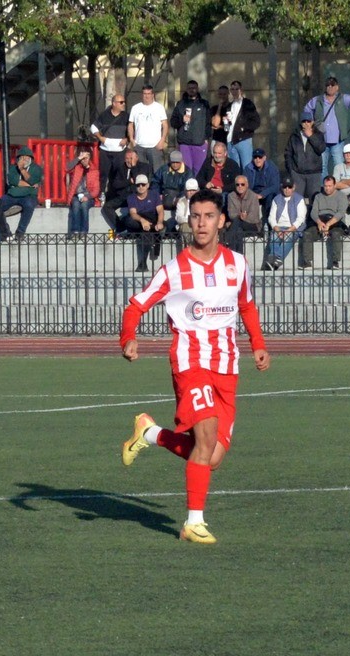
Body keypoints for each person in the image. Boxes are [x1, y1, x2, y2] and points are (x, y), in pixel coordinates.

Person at [120, 188, 270, 545]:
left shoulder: (238, 264)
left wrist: (259, 345)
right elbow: (136, 305)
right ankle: (193, 522)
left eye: (209, 216)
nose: (201, 223)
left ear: (221, 221)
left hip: (227, 366)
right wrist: (128, 338)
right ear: (189, 221)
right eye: (196, 216)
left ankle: (150, 433)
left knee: (212, 457)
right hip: (191, 363)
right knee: (204, 441)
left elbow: (247, 306)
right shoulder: (174, 270)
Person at [302, 77, 350, 178]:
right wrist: (310, 124)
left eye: (332, 85)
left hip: (337, 141)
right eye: (328, 85)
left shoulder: (343, 99)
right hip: (321, 140)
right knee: (322, 167)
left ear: (337, 87)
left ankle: (338, 186)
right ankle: (325, 186)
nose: (330, 87)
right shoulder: (317, 100)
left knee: (339, 166)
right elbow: (307, 110)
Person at [299, 176, 348, 269]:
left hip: (335, 222)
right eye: (325, 186)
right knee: (307, 234)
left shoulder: (341, 196)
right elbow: (313, 212)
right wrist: (319, 222)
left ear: (334, 185)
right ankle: (307, 262)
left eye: (330, 186)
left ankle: (335, 261)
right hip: (320, 222)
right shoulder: (318, 196)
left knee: (336, 234)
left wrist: (328, 224)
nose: (327, 188)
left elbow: (340, 213)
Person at [261, 179, 305, 270]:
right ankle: (275, 261)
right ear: (282, 187)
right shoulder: (276, 199)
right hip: (279, 226)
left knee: (288, 238)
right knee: (274, 237)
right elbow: (271, 217)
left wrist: (288, 231)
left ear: (293, 187)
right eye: (285, 187)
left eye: (289, 187)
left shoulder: (299, 199)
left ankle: (275, 259)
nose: (287, 189)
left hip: (293, 227)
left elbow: (301, 218)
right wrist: (277, 229)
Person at [169, 80, 210, 174]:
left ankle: (197, 185)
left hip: (199, 142)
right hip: (184, 143)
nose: (192, 90)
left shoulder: (204, 104)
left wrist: (206, 138)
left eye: (194, 88)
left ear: (197, 89)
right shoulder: (180, 104)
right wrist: (181, 120)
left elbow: (208, 122)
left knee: (199, 171)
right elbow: (173, 122)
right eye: (189, 88)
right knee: (186, 170)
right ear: (186, 89)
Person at [124, 174, 164, 272]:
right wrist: (143, 221)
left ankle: (143, 264)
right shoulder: (131, 197)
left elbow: (160, 210)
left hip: (151, 218)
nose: (141, 187)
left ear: (148, 185)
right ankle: (154, 234)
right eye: (138, 185)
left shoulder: (154, 194)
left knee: (149, 231)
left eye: (143, 184)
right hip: (139, 220)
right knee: (129, 221)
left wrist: (160, 222)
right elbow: (133, 213)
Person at [2, 147, 42, 238]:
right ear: (18, 158)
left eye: (27, 157)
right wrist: (30, 185)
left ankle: (20, 232)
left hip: (28, 195)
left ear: (31, 158)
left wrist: (22, 170)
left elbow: (33, 180)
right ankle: (6, 231)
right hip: (12, 194)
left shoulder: (36, 168)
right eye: (22, 157)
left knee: (29, 205)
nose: (24, 159)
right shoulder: (13, 168)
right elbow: (13, 181)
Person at [285, 117, 327, 204]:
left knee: (315, 201)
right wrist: (291, 170)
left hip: (314, 173)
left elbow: (321, 149)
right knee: (296, 201)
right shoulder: (295, 136)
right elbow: (288, 153)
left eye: (308, 121)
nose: (306, 123)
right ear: (301, 123)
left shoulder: (318, 134)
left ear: (312, 122)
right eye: (304, 121)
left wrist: (311, 136)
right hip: (298, 173)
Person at [91, 93, 130, 185]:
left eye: (124, 102)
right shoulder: (104, 115)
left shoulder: (127, 116)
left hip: (120, 151)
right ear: (114, 103)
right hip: (105, 151)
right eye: (121, 102)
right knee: (103, 174)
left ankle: (117, 193)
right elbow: (93, 127)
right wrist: (100, 138)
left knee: (120, 175)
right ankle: (102, 192)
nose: (124, 104)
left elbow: (133, 130)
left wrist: (127, 139)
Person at [127, 85, 169, 169]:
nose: (146, 96)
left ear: (152, 94)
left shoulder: (159, 108)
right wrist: (131, 139)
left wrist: (162, 140)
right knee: (141, 172)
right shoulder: (135, 108)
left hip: (155, 146)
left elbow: (165, 125)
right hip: (139, 146)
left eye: (149, 93)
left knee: (157, 171)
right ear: (142, 94)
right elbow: (131, 124)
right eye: (144, 94)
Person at [221, 81, 261, 168]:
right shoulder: (229, 106)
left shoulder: (247, 104)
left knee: (247, 167)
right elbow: (227, 128)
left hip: (243, 140)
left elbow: (256, 121)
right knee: (234, 168)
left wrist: (243, 128)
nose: (234, 91)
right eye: (232, 89)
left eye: (237, 89)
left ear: (241, 90)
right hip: (230, 141)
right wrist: (225, 122)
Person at [65, 147, 101, 237]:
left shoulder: (94, 171)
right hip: (76, 195)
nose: (84, 160)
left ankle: (84, 230)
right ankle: (75, 230)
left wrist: (87, 197)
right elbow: (66, 168)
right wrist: (79, 158)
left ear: (90, 158)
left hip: (89, 196)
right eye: (83, 158)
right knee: (76, 204)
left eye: (86, 158)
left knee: (84, 205)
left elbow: (96, 190)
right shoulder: (76, 168)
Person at [223, 174, 261, 253]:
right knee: (238, 231)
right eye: (237, 184)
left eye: (242, 184)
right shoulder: (231, 196)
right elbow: (231, 214)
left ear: (247, 185)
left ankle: (227, 239)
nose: (240, 186)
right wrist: (240, 216)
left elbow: (254, 218)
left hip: (252, 226)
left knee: (237, 221)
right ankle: (238, 254)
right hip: (237, 226)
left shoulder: (253, 196)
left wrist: (244, 218)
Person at [242, 148, 279, 223]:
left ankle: (268, 222)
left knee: (270, 197)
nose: (257, 160)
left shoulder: (272, 168)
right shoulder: (248, 168)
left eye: (260, 157)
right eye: (255, 157)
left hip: (267, 192)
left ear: (264, 158)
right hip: (253, 192)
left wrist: (262, 194)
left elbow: (275, 185)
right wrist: (253, 195)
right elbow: (244, 185)